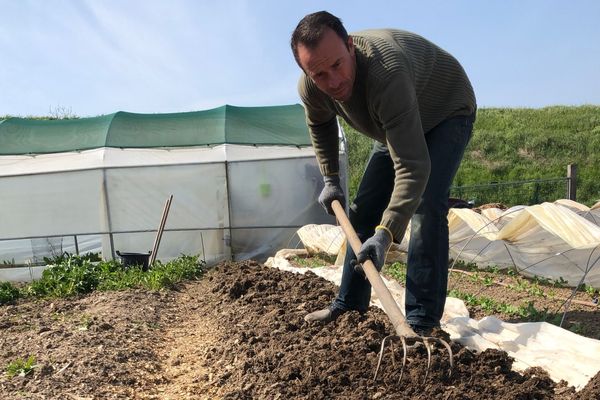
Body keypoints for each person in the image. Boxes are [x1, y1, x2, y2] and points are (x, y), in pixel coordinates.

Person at [291, 11, 476, 335]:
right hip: (391, 125)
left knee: (426, 205)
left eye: (337, 65)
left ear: (350, 46)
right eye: (319, 74)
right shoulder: (311, 86)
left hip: (445, 109)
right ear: (307, 72)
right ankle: (349, 304)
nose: (332, 81)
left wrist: (387, 233)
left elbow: (412, 166)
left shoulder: (385, 73)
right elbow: (320, 123)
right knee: (362, 209)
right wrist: (331, 178)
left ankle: (421, 321)